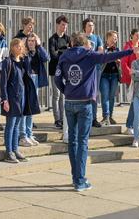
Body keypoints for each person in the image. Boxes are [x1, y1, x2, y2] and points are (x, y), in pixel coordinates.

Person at [54, 33, 134, 191]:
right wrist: (130, 51)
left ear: (71, 43)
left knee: (73, 141)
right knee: (82, 141)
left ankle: (75, 176)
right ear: (84, 44)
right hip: (84, 102)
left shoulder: (64, 57)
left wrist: (66, 91)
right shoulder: (89, 55)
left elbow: (57, 78)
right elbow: (110, 56)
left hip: (70, 102)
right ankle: (80, 180)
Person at [1, 38, 32, 163]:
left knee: (17, 125)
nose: (21, 48)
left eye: (22, 46)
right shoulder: (7, 62)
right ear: (12, 47)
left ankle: (15, 149)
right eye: (18, 46)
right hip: (11, 97)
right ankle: (9, 151)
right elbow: (3, 83)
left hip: (21, 97)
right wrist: (5, 100)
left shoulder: (22, 62)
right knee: (10, 125)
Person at [20, 33, 48, 147]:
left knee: (31, 108)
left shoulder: (38, 51)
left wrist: (40, 45)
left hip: (35, 79)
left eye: (33, 41)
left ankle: (29, 133)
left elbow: (46, 58)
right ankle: (22, 136)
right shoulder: (24, 52)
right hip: (26, 80)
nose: (31, 43)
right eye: (30, 41)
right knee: (25, 108)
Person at [81, 18, 105, 127]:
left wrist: (91, 54)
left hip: (96, 69)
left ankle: (94, 118)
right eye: (89, 25)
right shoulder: (81, 38)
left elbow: (101, 51)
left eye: (92, 25)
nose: (91, 27)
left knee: (95, 93)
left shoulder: (97, 38)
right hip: (84, 70)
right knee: (85, 93)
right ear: (84, 27)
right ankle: (85, 117)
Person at [47, 16, 70, 129]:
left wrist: (60, 52)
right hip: (55, 70)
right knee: (56, 95)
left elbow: (69, 53)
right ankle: (57, 119)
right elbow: (53, 55)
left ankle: (63, 118)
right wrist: (64, 51)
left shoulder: (68, 38)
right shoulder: (52, 39)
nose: (64, 27)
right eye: (62, 24)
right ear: (57, 25)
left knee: (63, 95)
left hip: (65, 70)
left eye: (65, 25)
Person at [120, 29, 139, 135]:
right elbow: (124, 63)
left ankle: (137, 122)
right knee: (134, 101)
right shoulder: (128, 47)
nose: (138, 37)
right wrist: (131, 74)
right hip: (131, 79)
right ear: (131, 36)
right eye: (136, 35)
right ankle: (129, 126)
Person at [99, 31, 121, 125]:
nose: (114, 40)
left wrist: (118, 61)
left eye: (116, 38)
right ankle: (105, 117)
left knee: (111, 97)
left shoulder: (117, 49)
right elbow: (100, 60)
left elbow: (120, 62)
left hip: (114, 75)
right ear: (108, 38)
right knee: (105, 96)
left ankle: (110, 117)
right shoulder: (102, 48)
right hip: (104, 75)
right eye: (113, 37)